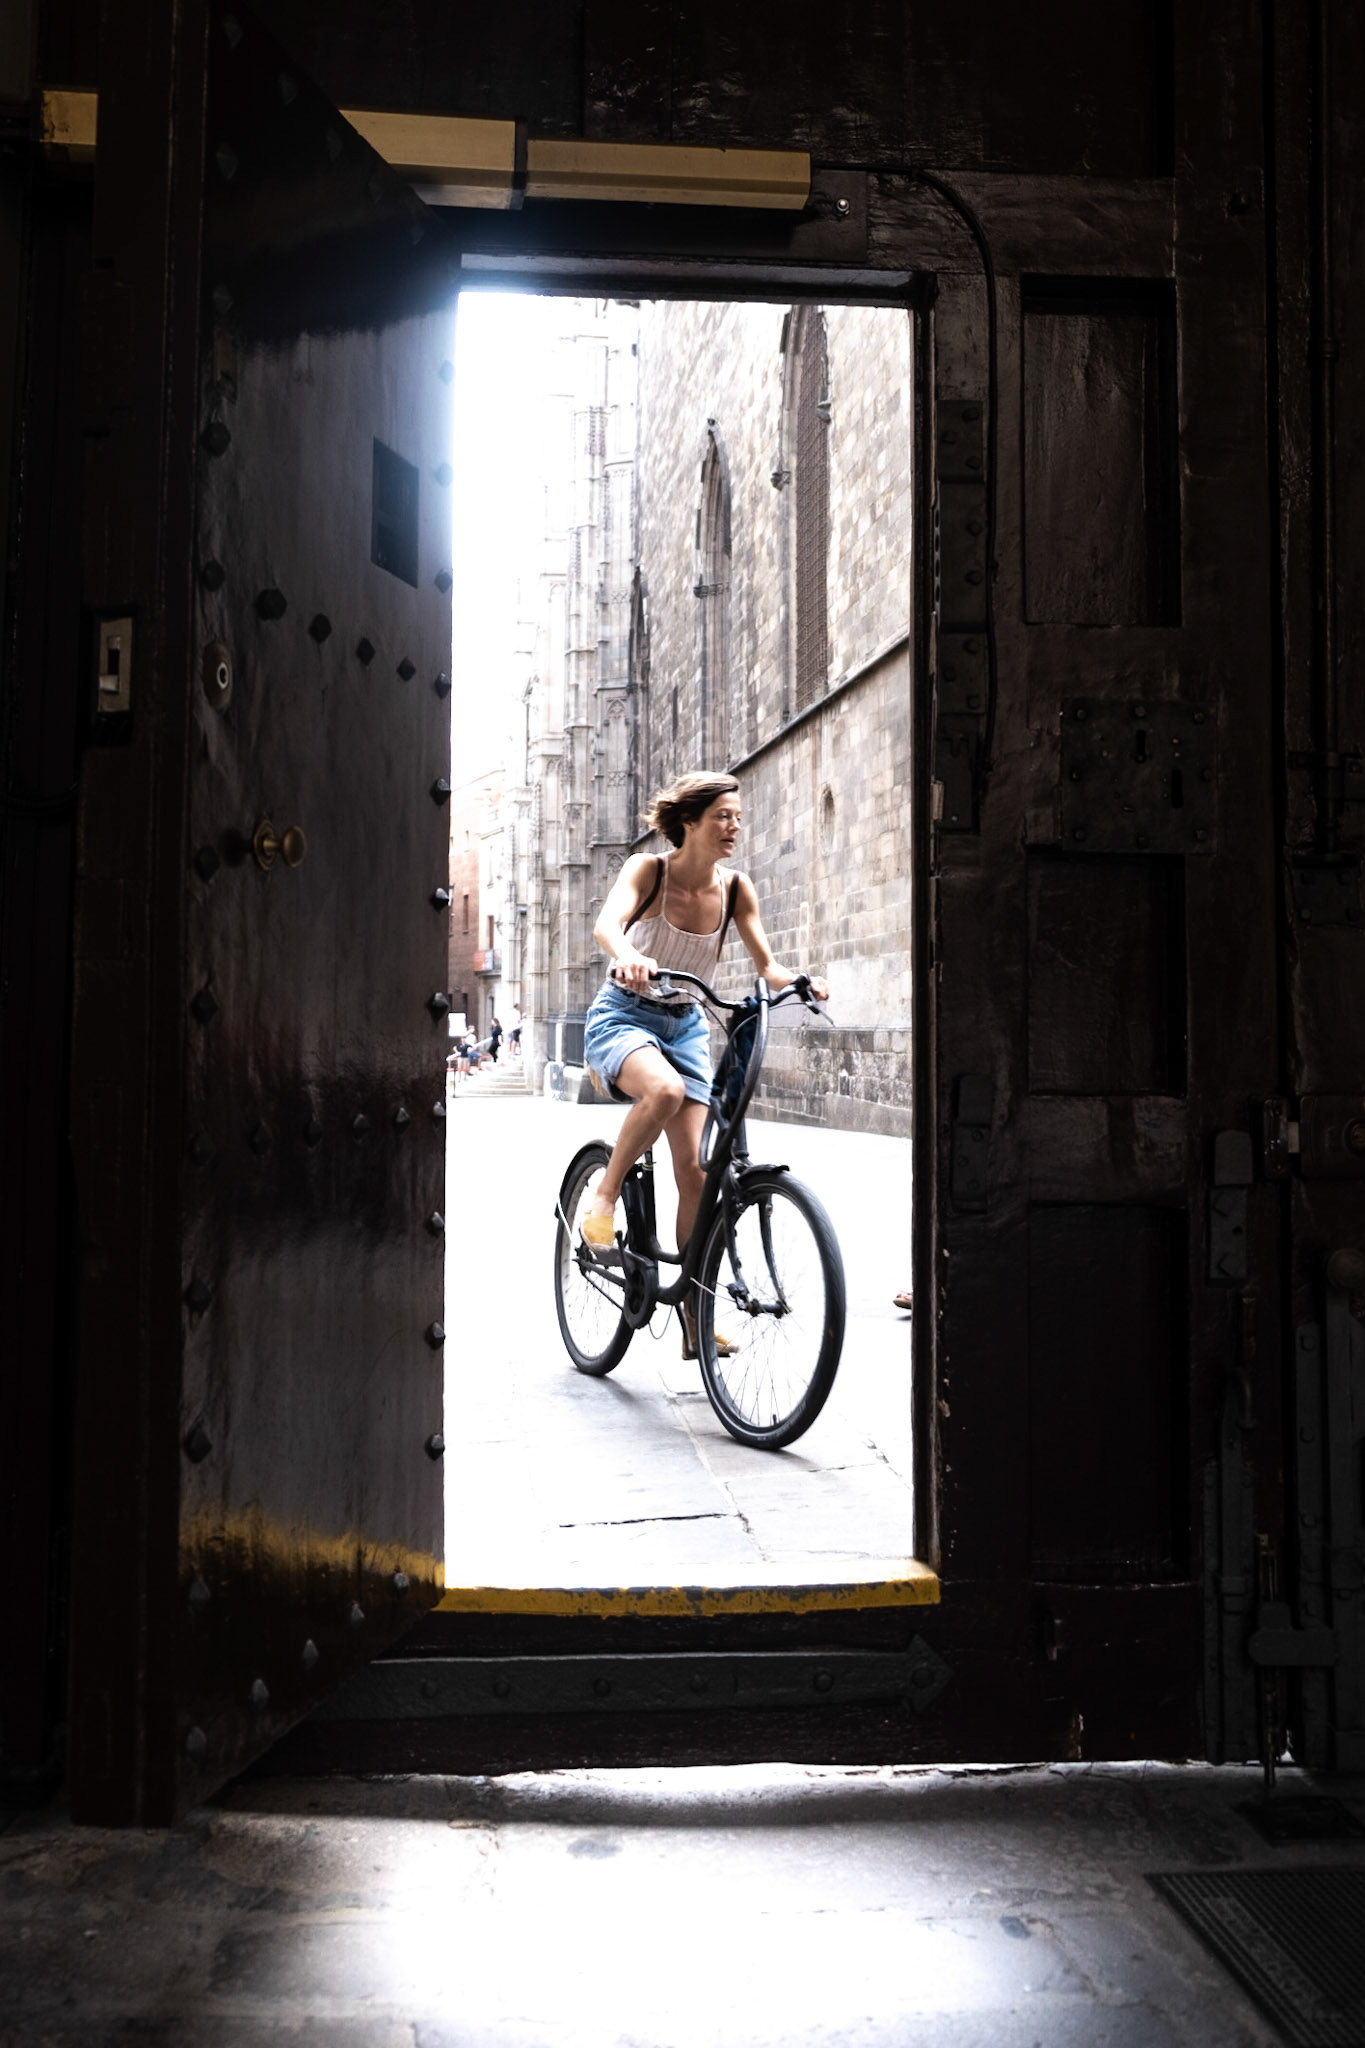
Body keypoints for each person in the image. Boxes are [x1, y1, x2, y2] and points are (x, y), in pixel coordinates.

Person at [581, 771, 829, 1359]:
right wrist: (630, 955)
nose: (734, 827)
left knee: (694, 1170)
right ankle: (605, 1196)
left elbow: (766, 966)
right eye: (722, 816)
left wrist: (799, 981)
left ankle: (695, 1315)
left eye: (737, 817)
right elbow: (606, 925)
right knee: (662, 1092)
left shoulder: (738, 889)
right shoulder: (650, 872)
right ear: (689, 822)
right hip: (625, 1013)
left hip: (688, 1025)